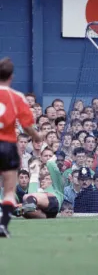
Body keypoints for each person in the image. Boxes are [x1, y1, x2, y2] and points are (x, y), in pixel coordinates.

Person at [0, 57, 41, 238]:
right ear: (12, 77)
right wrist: (36, 136)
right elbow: (26, 126)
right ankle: (2, 226)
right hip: (8, 146)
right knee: (9, 190)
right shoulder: (16, 97)